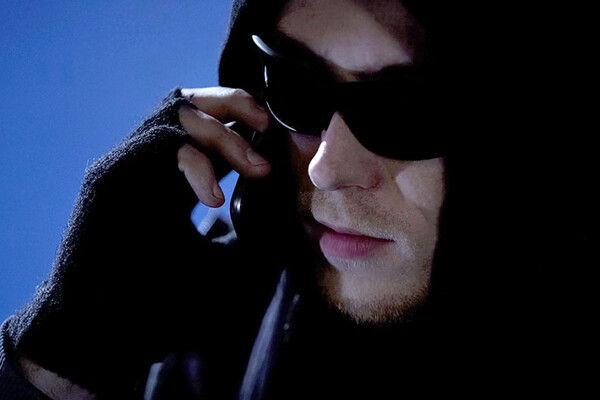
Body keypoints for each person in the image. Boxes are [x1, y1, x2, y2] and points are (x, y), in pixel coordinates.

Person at [0, 0, 593, 399]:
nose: (327, 168)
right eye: (296, 87)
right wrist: (60, 361)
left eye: (407, 109)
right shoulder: (212, 317)